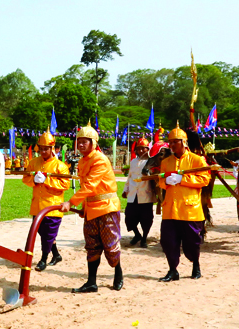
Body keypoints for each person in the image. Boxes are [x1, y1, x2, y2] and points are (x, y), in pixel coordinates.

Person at [61, 122, 123, 293]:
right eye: (79, 141)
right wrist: (84, 207)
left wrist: (70, 202)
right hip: (91, 209)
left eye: (84, 141)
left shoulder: (100, 160)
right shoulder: (82, 161)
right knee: (92, 246)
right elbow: (86, 188)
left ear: (93, 143)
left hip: (106, 208)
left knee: (110, 246)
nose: (80, 144)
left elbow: (89, 186)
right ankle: (91, 282)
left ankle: (118, 274)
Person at [156, 125, 211, 281]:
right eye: (170, 142)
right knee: (168, 241)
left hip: (190, 210)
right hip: (170, 209)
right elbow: (160, 181)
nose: (172, 145)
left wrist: (183, 179)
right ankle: (173, 270)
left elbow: (204, 179)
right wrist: (165, 181)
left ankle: (196, 265)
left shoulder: (197, 159)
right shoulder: (166, 162)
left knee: (192, 243)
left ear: (184, 142)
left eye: (175, 142)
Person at [22, 130, 70, 271]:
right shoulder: (33, 163)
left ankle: (43, 259)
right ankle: (56, 255)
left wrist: (47, 180)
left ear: (52, 149)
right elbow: (25, 178)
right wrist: (34, 181)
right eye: (41, 149)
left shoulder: (60, 166)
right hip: (37, 205)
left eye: (46, 149)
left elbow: (65, 184)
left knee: (48, 235)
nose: (43, 151)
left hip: (52, 207)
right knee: (43, 233)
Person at [122, 137, 154, 247]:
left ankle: (144, 238)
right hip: (132, 194)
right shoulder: (133, 162)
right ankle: (137, 235)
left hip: (146, 194)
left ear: (147, 149)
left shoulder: (151, 161)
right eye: (139, 149)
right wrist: (125, 190)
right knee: (129, 217)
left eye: (143, 149)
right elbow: (129, 177)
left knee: (146, 219)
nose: (141, 151)